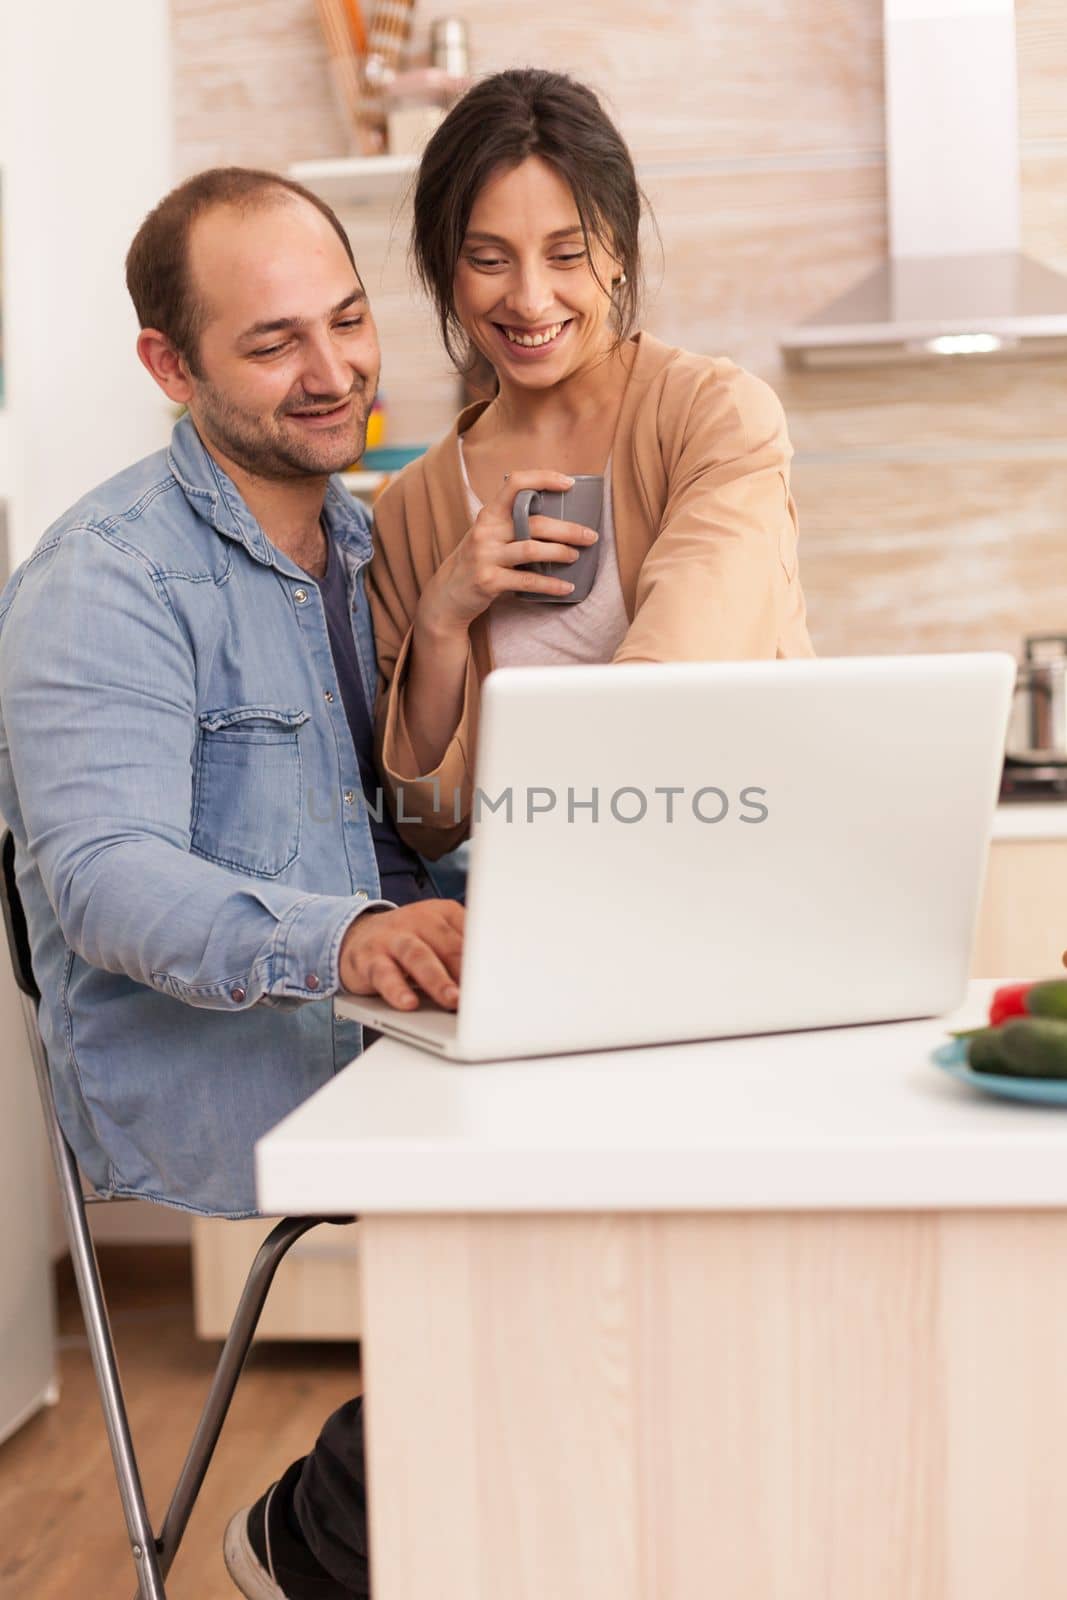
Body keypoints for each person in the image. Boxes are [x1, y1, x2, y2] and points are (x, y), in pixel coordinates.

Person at [0, 168, 459, 1598]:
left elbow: (405, 820)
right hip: (247, 1059)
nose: (333, 375)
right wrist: (360, 939)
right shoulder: (106, 578)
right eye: (272, 345)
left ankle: (456, 1522)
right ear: (169, 363)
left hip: (397, 1028)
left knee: (673, 1158)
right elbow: (101, 881)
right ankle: (328, 1533)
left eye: (347, 321)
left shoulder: (381, 544)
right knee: (594, 1206)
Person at [369, 68, 815, 859]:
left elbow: (685, 656)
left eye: (566, 253)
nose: (532, 299)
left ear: (617, 249)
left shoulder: (713, 416)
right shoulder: (412, 507)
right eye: (488, 259)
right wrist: (441, 618)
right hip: (536, 904)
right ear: (445, 268)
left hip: (741, 868)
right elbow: (427, 820)